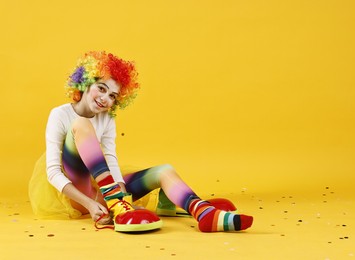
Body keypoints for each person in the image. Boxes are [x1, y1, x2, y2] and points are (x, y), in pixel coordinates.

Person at [29, 51, 253, 233]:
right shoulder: (60, 114)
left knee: (164, 170)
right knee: (81, 123)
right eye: (102, 88)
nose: (105, 99)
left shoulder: (107, 119)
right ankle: (118, 204)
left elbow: (111, 159)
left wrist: (123, 195)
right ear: (86, 83)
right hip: (77, 194)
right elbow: (52, 173)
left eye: (113, 96)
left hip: (104, 189)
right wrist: (89, 204)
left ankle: (202, 211)